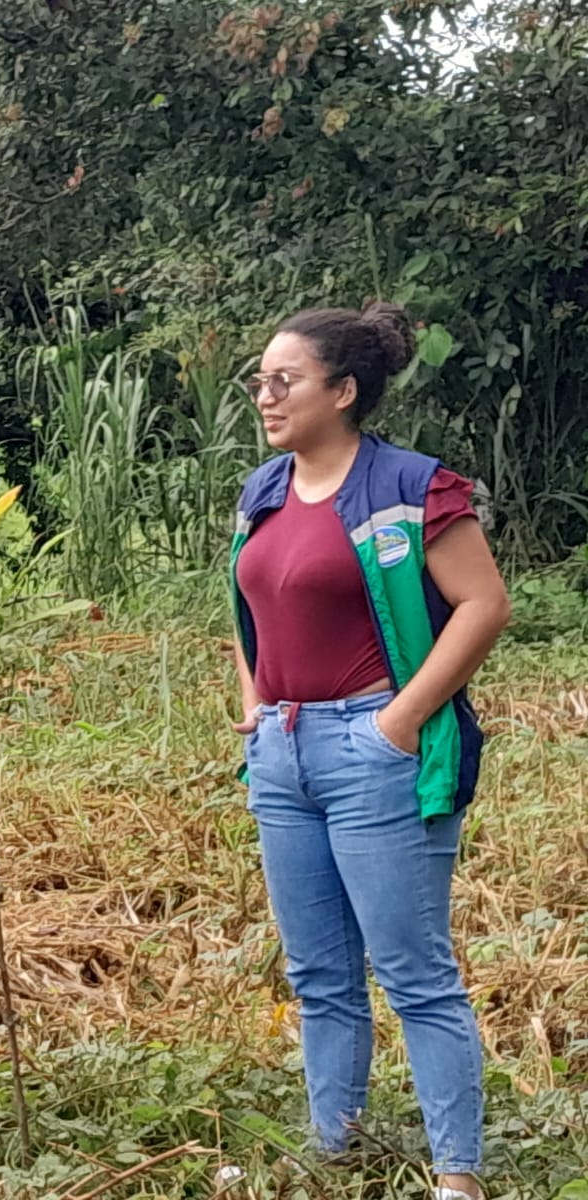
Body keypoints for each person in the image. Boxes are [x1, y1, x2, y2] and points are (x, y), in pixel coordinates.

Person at [230, 303, 510, 1200]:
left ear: (344, 391)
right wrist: (254, 700)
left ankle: (457, 1176)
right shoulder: (263, 490)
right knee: (318, 974)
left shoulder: (411, 487)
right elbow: (248, 605)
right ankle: (335, 1149)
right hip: (284, 755)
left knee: (413, 973)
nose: (265, 396)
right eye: (260, 380)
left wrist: (402, 719)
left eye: (285, 380)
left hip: (374, 750)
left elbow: (484, 604)